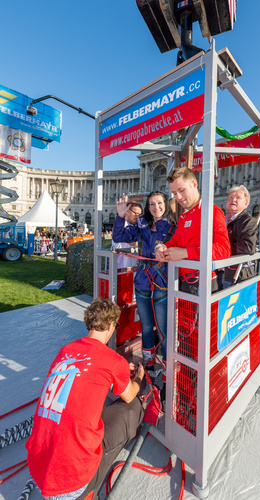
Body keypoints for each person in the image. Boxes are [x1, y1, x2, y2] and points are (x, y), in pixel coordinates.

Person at [25, 298, 144, 500]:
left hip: (37, 467)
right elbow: (130, 393)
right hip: (71, 480)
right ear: (111, 325)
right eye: (116, 325)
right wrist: (139, 376)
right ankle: (88, 492)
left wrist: (119, 370)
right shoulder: (114, 361)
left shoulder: (66, 351)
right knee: (132, 407)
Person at [112, 192, 175, 370]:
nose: (156, 207)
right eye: (152, 204)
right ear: (148, 207)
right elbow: (118, 237)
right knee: (146, 326)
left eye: (160, 203)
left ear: (165, 205)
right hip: (142, 281)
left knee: (163, 329)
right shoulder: (141, 226)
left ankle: (168, 366)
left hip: (162, 282)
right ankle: (149, 361)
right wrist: (120, 215)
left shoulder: (173, 227)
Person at [155, 167, 231, 294]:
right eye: (174, 193)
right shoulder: (184, 216)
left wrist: (186, 253)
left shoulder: (212, 211)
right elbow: (175, 241)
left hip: (201, 283)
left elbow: (223, 249)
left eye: (181, 190)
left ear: (194, 184)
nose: (178, 197)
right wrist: (161, 247)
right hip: (183, 281)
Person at [224, 185, 257, 287]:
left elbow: (248, 247)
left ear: (245, 203)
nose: (233, 200)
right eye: (231, 198)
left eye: (238, 198)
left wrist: (222, 249)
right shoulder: (222, 219)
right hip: (220, 272)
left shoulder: (249, 221)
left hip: (238, 274)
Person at [112, 201, 142, 269]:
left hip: (133, 269)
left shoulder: (133, 226)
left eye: (139, 215)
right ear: (127, 211)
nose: (137, 217)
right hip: (122, 268)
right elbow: (119, 236)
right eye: (135, 213)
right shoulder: (120, 226)